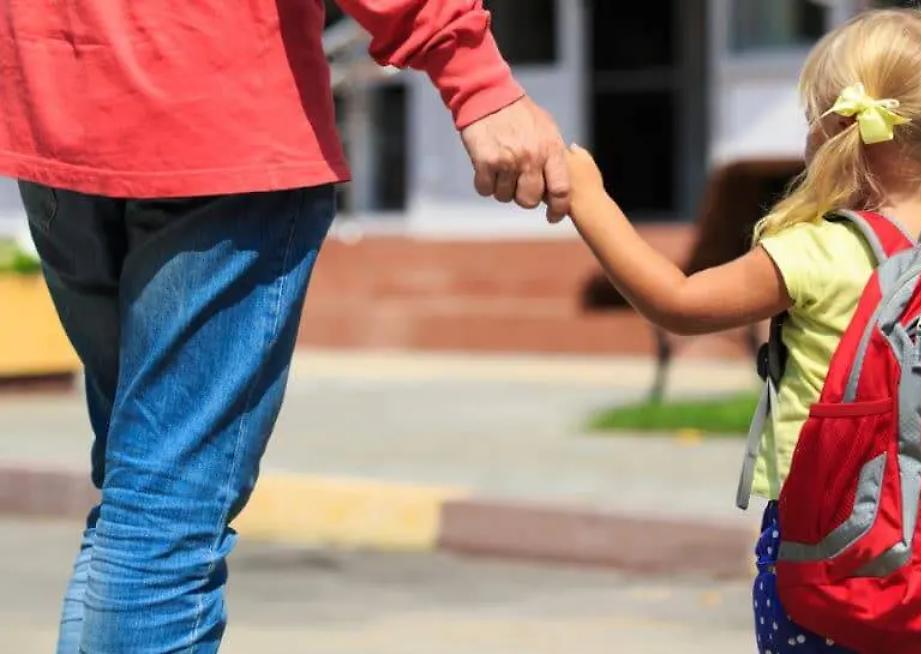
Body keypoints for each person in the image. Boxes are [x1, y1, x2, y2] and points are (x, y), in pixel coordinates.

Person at [0, 1, 567, 652]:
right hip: (213, 108)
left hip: (58, 108)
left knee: (137, 503)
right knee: (162, 511)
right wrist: (476, 78)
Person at [563, 9, 921, 653]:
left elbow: (674, 302)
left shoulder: (822, 249)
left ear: (841, 127)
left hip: (828, 553)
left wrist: (588, 200)